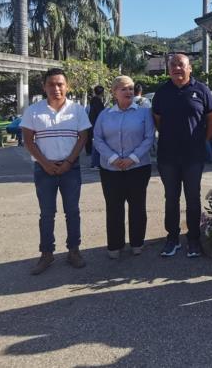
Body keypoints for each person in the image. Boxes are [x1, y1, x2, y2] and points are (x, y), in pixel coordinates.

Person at [21, 68, 91, 275]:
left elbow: (83, 138)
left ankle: (74, 251)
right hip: (44, 170)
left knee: (72, 211)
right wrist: (45, 163)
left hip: (71, 168)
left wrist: (69, 161)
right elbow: (28, 141)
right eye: (51, 84)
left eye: (60, 84)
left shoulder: (77, 110)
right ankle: (46, 253)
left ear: (67, 86)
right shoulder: (33, 111)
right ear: (44, 87)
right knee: (47, 214)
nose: (56, 88)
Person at [152, 53, 212, 258]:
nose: (176, 68)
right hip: (168, 156)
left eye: (181, 65)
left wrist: (201, 140)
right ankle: (172, 238)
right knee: (171, 198)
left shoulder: (201, 90)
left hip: (193, 156)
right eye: (173, 65)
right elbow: (157, 121)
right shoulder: (162, 92)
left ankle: (193, 239)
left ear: (190, 68)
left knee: (193, 198)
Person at [94, 76, 155, 258]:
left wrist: (132, 158)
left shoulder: (144, 113)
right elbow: (97, 138)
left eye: (130, 88)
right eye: (123, 89)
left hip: (138, 168)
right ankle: (115, 245)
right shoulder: (105, 115)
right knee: (114, 207)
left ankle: (137, 243)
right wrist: (113, 158)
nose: (128, 92)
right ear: (114, 93)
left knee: (137, 206)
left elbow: (149, 138)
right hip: (110, 169)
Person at [87, 85, 106, 169]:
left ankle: (95, 163)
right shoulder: (98, 102)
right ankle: (95, 163)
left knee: (96, 144)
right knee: (97, 144)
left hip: (92, 124)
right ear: (102, 92)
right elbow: (100, 114)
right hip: (96, 125)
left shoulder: (93, 101)